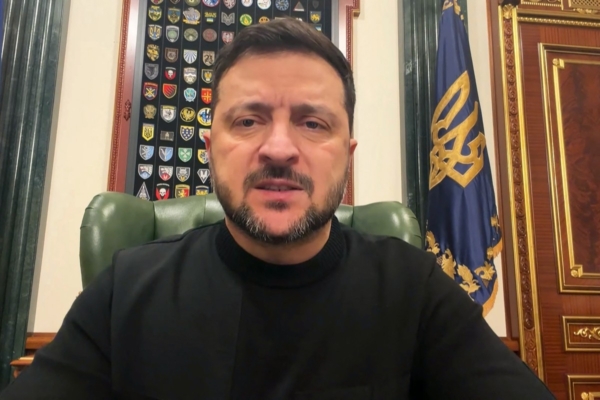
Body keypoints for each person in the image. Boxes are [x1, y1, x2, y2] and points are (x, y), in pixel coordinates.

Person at [0, 18, 555, 400]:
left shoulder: (413, 289)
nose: (280, 148)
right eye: (248, 120)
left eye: (313, 123)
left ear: (348, 155)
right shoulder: (127, 289)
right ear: (210, 147)